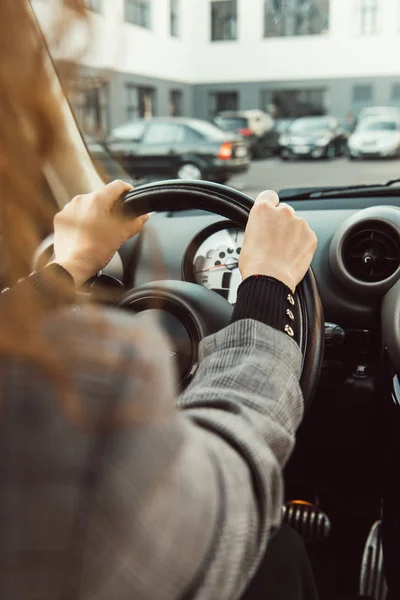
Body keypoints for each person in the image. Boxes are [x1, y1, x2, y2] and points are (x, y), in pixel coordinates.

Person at [0, 1, 318, 599]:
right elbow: (230, 492)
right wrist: (267, 291)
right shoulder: (69, 394)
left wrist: (65, 268)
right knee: (280, 549)